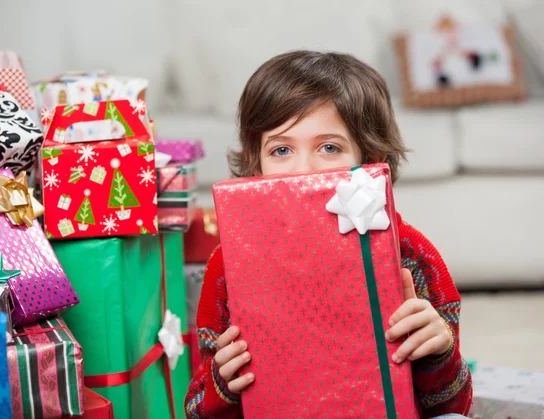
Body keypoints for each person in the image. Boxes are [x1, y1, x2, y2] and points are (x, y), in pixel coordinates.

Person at [184, 51, 472, 419]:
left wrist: (440, 351)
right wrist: (222, 383)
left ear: (369, 158)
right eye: (282, 149)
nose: (303, 171)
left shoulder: (410, 253)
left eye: (329, 147)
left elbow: (455, 405)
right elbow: (194, 408)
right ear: (256, 164)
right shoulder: (229, 268)